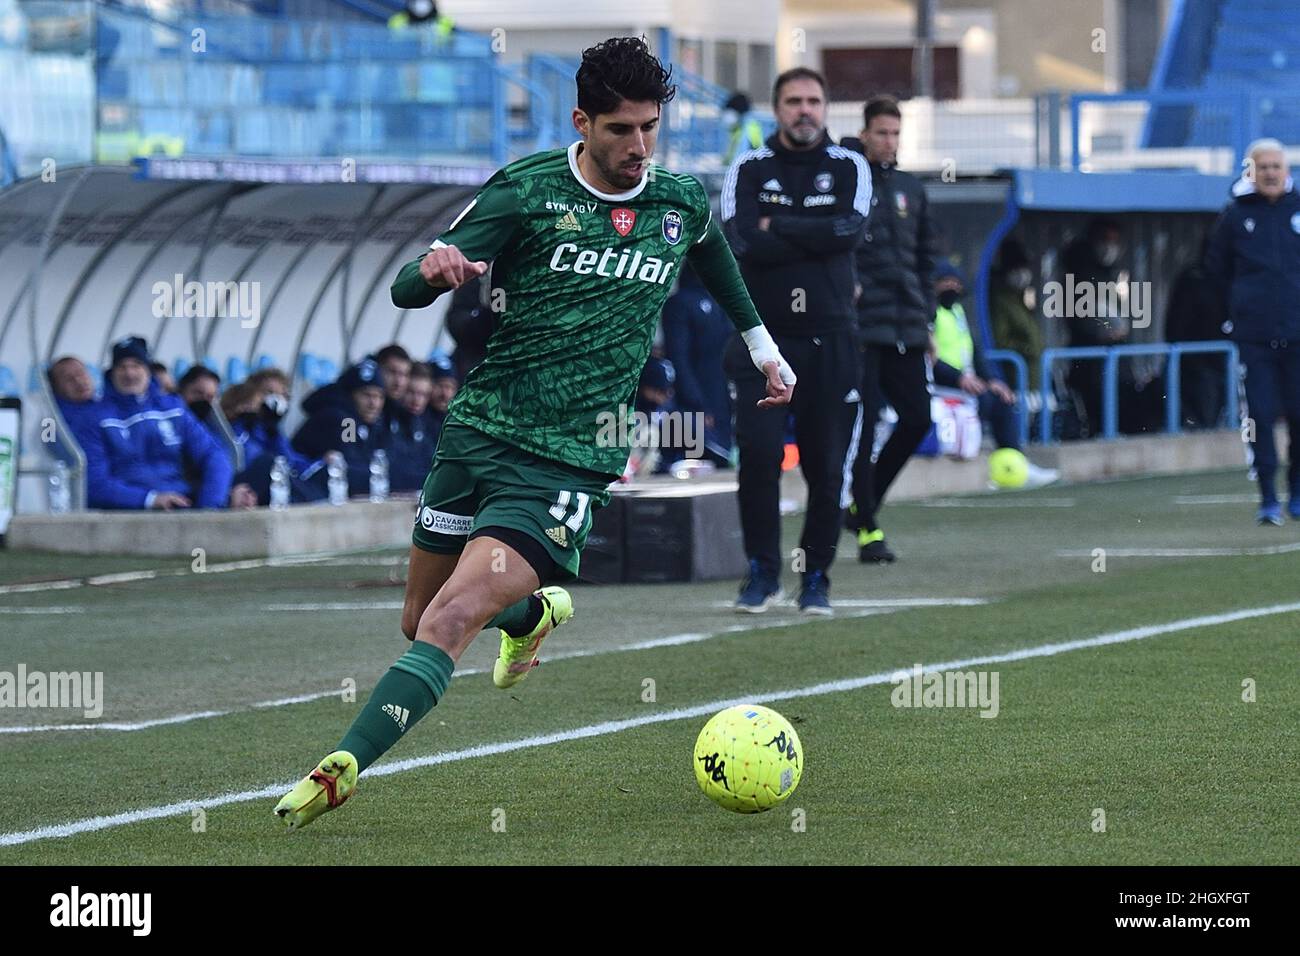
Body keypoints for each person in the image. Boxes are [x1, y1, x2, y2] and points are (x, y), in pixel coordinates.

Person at [273, 37, 794, 830]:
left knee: (449, 624)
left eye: (651, 126)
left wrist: (764, 349)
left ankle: (342, 766)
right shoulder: (526, 191)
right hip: (479, 432)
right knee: (419, 621)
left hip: (570, 460)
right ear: (582, 121)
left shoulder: (679, 201)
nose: (640, 146)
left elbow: (714, 254)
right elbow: (407, 283)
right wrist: (438, 269)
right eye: (621, 129)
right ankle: (531, 616)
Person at [722, 66, 868, 614]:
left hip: (830, 340)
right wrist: (813, 233)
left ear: (825, 107)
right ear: (777, 108)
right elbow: (740, 240)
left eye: (812, 100)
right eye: (792, 101)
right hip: (763, 341)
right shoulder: (750, 166)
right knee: (758, 456)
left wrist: (776, 228)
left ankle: (817, 578)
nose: (803, 110)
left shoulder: (849, 166)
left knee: (826, 467)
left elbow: (849, 231)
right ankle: (762, 573)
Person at [841, 96, 937, 564]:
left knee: (918, 417)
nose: (889, 141)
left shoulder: (911, 189)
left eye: (896, 133)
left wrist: (929, 321)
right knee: (865, 426)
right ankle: (869, 533)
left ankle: (862, 505)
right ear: (864, 134)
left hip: (907, 325)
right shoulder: (847, 181)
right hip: (860, 328)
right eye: (881, 132)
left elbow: (924, 259)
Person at [1204, 138, 1300, 524]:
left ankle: (1296, 493)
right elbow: (1214, 272)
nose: (1271, 173)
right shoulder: (1233, 217)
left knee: (1299, 416)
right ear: (1252, 172)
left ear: (1286, 171)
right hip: (1255, 338)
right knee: (1259, 415)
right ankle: (1267, 499)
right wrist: (1234, 314)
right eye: (1264, 167)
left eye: (1277, 166)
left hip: (1298, 335)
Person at [930, 261, 1058, 486]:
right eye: (945, 283)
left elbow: (975, 351)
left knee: (1003, 401)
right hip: (942, 385)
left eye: (955, 283)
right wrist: (959, 378)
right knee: (984, 402)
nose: (951, 287)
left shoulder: (958, 312)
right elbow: (930, 359)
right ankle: (983, 472)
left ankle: (1015, 463)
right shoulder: (931, 314)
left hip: (965, 383)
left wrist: (993, 380)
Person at [77, 336, 236, 510]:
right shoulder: (95, 417)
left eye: (136, 365)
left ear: (147, 371)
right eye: (122, 367)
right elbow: (95, 483)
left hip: (180, 502)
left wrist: (210, 504)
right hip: (127, 510)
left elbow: (213, 454)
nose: (129, 373)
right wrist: (150, 499)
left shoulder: (173, 407)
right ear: (112, 373)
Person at [660, 262, 734, 465]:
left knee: (722, 464)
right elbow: (679, 357)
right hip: (697, 402)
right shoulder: (681, 304)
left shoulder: (723, 301)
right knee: (695, 463)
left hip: (722, 399)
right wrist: (697, 405)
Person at [1061, 218, 1128, 435]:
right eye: (1105, 240)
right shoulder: (1080, 273)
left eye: (1114, 241)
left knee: (1115, 400)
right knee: (1094, 405)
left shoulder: (1110, 273)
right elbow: (1084, 316)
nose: (1110, 246)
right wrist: (1104, 332)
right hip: (1088, 354)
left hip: (1109, 354)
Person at [292, 358, 391, 498]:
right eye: (367, 395)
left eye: (379, 397)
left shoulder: (367, 421)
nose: (374, 403)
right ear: (351, 395)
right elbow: (352, 462)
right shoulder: (345, 420)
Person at [1166, 236, 1228, 429]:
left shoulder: (1232, 278)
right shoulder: (1193, 279)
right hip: (1198, 364)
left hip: (1227, 360)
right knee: (1204, 420)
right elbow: (1175, 328)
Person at [722, 91, 765, 167]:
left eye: (731, 112)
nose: (727, 117)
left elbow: (757, 150)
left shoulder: (749, 128)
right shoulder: (737, 130)